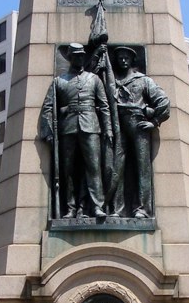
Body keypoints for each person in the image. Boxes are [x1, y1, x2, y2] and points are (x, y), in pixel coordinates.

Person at [39, 43, 111, 220]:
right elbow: (48, 107)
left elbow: (104, 106)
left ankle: (96, 206)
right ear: (70, 58)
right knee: (68, 171)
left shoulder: (94, 79)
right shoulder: (59, 81)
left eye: (82, 55)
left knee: (93, 168)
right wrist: (48, 132)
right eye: (76, 55)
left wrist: (108, 128)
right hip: (68, 129)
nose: (80, 58)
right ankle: (70, 208)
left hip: (91, 127)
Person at [109, 46, 170, 218]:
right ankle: (116, 209)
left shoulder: (143, 81)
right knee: (116, 167)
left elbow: (163, 102)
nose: (122, 60)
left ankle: (142, 208)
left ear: (132, 60)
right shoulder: (111, 81)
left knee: (142, 167)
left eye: (126, 57)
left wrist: (154, 121)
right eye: (120, 57)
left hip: (138, 125)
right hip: (117, 125)